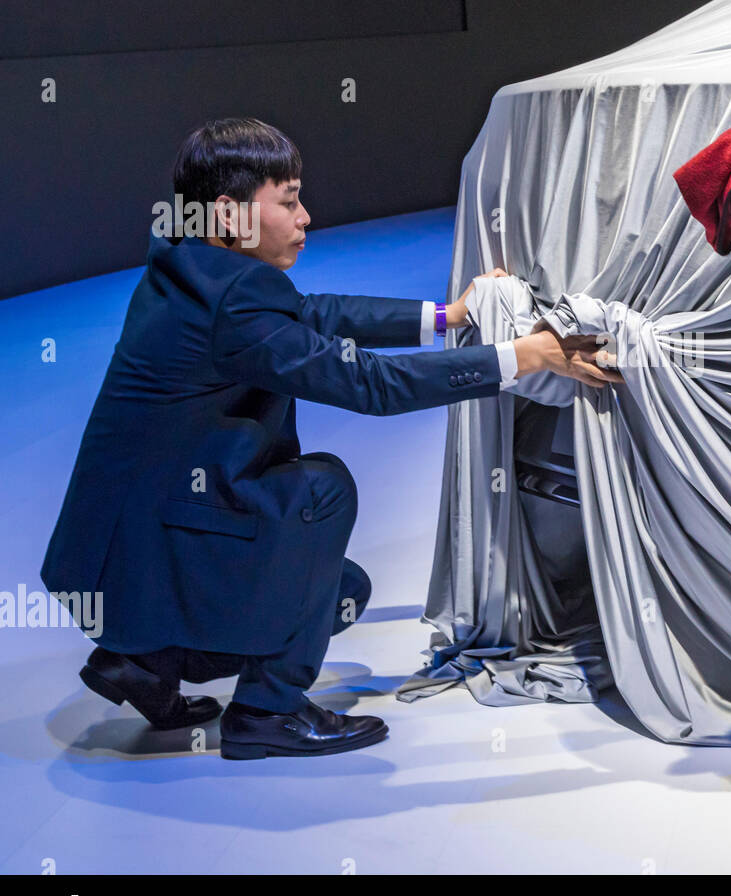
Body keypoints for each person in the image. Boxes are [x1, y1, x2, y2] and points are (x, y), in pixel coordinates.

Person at [42, 117, 620, 759]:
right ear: (231, 214)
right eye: (288, 200)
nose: (306, 216)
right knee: (318, 493)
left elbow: (309, 314)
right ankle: (266, 713)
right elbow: (371, 386)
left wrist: (444, 317)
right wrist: (522, 357)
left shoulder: (192, 264)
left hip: (119, 546)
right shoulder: (234, 301)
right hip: (152, 539)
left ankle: (143, 659)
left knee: (337, 591)